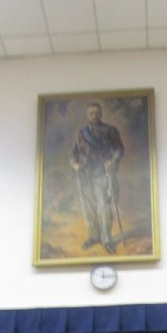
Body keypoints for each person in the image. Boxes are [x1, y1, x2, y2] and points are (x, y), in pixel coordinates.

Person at [70, 102, 125, 255]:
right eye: (91, 113)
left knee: (103, 207)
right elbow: (73, 154)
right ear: (87, 115)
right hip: (84, 175)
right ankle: (94, 236)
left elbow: (119, 149)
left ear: (101, 114)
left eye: (96, 113)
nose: (94, 116)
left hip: (102, 172)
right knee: (89, 207)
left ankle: (106, 239)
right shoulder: (81, 133)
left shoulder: (110, 131)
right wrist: (74, 164)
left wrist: (113, 161)